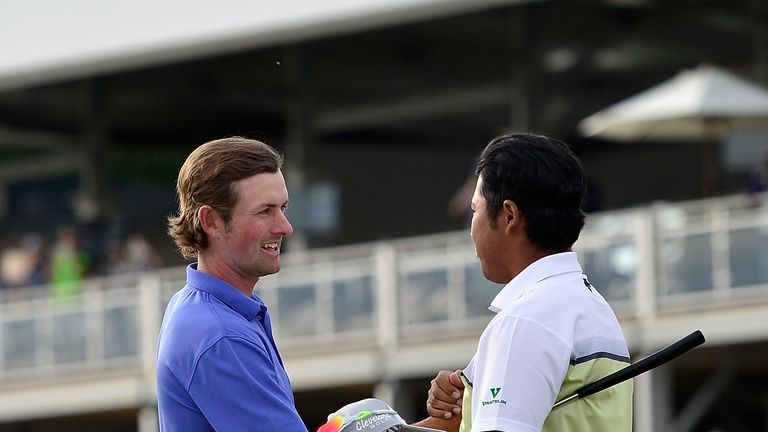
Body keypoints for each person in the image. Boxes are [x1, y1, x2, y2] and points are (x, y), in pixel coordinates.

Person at [414, 133, 633, 432]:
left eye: (475, 210)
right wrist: (467, 410)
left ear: (509, 215)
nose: (471, 230)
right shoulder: (594, 307)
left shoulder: (523, 321)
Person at [156, 137, 307, 431]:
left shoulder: (195, 306)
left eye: (283, 208)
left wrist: (425, 423)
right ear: (210, 221)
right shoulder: (222, 336)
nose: (285, 227)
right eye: (265, 211)